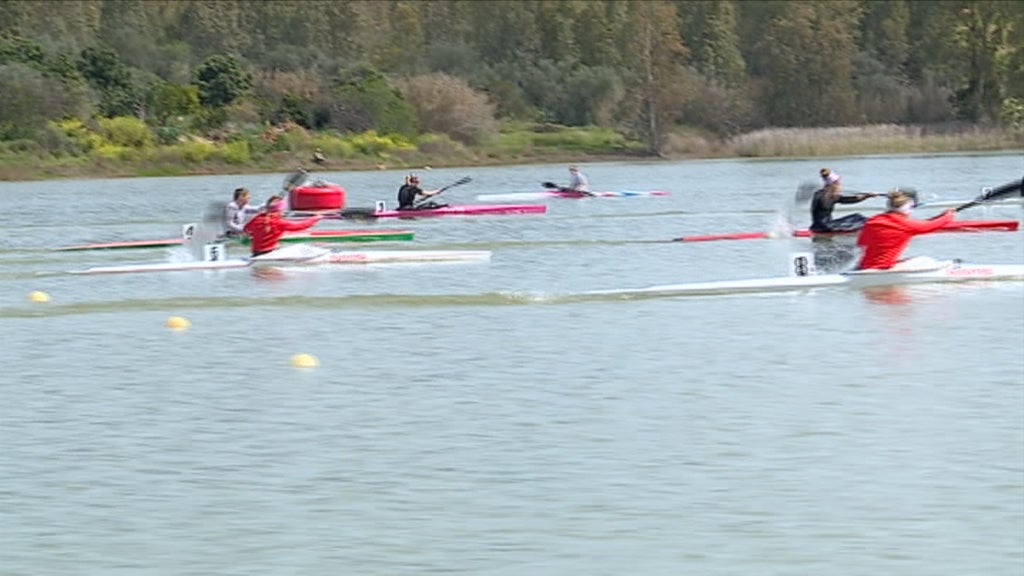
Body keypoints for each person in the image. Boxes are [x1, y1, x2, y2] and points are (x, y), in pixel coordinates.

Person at [855, 190, 955, 270]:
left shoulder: (872, 221)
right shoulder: (906, 224)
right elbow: (932, 225)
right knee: (924, 259)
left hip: (864, 266)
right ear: (907, 208)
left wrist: (941, 216)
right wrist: (948, 215)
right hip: (882, 268)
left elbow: (861, 243)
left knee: (910, 260)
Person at [242, 195, 322, 257]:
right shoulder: (278, 222)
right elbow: (301, 225)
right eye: (282, 210)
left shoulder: (257, 218)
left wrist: (258, 234)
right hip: (268, 254)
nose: (283, 212)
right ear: (279, 210)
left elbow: (246, 229)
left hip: (255, 254)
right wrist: (316, 218)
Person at [810, 168, 879, 233]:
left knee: (857, 217)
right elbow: (851, 200)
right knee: (859, 218)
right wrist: (867, 196)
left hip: (816, 226)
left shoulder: (818, 194)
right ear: (834, 184)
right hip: (826, 227)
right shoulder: (832, 196)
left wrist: (867, 196)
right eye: (839, 183)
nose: (840, 186)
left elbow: (851, 199)